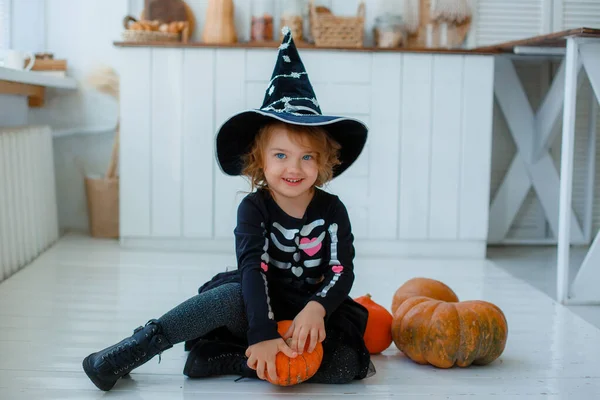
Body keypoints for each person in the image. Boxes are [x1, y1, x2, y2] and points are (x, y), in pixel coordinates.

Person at [82, 27, 374, 392]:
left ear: (325, 160)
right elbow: (253, 269)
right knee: (223, 298)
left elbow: (341, 270)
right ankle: (133, 349)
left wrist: (317, 308)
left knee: (346, 364)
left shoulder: (332, 210)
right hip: (255, 300)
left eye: (307, 157)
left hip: (307, 311)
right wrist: (263, 331)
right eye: (280, 155)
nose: (294, 168)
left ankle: (230, 357)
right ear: (259, 159)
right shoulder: (254, 208)